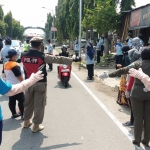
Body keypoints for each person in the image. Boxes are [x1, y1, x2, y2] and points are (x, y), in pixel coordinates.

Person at [99, 47, 150, 148]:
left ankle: (137, 140)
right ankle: (146, 140)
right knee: (148, 117)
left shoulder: (137, 64)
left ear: (141, 55)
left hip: (136, 95)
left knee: (138, 117)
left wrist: (109, 75)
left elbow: (123, 70)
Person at [21, 37, 73, 133]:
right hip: (40, 83)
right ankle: (36, 126)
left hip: (28, 83)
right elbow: (58, 59)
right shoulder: (42, 56)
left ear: (31, 44)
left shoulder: (23, 55)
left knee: (28, 103)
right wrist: (71, 60)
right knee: (39, 105)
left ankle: (26, 121)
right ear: (40, 45)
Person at [0, 70, 43, 145]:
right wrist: (31, 80)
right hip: (15, 86)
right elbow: (10, 91)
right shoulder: (14, 65)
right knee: (22, 101)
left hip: (11, 85)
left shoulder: (7, 64)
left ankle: (23, 118)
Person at [4, 49, 25, 119]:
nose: (17, 57)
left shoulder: (6, 64)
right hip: (17, 85)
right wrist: (24, 83)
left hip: (9, 85)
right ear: (13, 56)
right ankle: (23, 114)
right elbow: (18, 76)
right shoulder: (14, 65)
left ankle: (14, 114)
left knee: (12, 100)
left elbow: (3, 75)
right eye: (16, 55)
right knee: (21, 100)